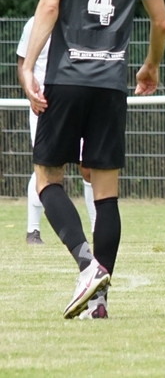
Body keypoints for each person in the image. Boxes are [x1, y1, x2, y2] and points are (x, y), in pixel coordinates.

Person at [19, 0, 165, 319]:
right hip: (110, 84)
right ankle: (98, 302)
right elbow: (161, 23)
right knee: (106, 194)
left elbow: (49, 5)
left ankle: (88, 265)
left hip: (66, 78)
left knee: (48, 179)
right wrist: (150, 65)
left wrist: (27, 65)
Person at [17, 17, 97, 244]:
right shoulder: (35, 24)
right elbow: (22, 64)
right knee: (45, 167)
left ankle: (97, 228)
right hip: (44, 106)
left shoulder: (81, 20)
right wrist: (30, 93)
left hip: (77, 104)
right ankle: (33, 231)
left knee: (89, 166)